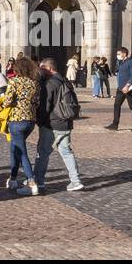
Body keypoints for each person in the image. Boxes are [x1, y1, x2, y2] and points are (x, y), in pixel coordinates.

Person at [28, 57, 84, 193]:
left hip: (52, 124)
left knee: (43, 153)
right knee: (66, 152)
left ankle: (39, 181)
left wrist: (39, 121)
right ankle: (76, 181)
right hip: (66, 122)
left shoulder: (50, 83)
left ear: (49, 68)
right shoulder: (65, 80)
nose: (40, 71)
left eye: (42, 68)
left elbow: (45, 106)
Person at [0, 56, 40, 195]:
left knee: (22, 152)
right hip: (30, 120)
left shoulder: (14, 81)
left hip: (17, 119)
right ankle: (13, 178)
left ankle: (31, 182)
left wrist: (2, 103)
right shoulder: (33, 83)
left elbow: (7, 101)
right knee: (14, 148)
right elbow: (36, 101)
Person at [105, 47, 132, 130]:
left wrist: (127, 85)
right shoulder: (122, 62)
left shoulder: (131, 62)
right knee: (117, 105)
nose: (118, 55)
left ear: (124, 54)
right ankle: (115, 124)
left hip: (129, 89)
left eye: (119, 54)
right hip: (120, 88)